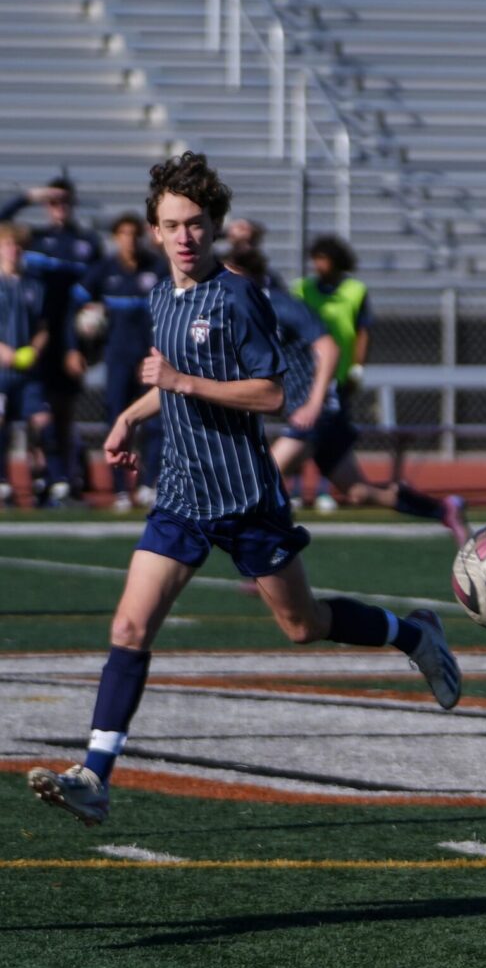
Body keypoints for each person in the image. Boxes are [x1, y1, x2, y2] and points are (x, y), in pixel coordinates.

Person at [26, 152, 461, 827]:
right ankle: (95, 776)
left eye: (196, 223)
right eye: (173, 225)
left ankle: (414, 635)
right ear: (155, 230)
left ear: (214, 225)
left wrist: (180, 383)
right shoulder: (160, 296)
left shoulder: (237, 296)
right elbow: (171, 382)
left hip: (244, 496)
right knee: (129, 626)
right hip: (181, 495)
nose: (185, 236)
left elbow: (271, 394)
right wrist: (130, 416)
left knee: (302, 625)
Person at [227, 244, 469, 543]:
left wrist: (314, 403)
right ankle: (445, 509)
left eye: (230, 277)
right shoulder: (247, 311)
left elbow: (329, 349)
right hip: (307, 410)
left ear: (248, 277)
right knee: (358, 492)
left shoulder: (282, 305)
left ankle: (271, 552)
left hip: (317, 409)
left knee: (265, 475)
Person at [1, 176, 102, 504]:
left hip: (63, 341)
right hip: (24, 344)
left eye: (64, 201)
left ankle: (64, 477)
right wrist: (29, 196)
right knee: (22, 415)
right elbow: (3, 222)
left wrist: (87, 335)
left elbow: (97, 286)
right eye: (53, 201)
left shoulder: (86, 242)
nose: (59, 207)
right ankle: (35, 476)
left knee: (60, 413)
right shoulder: (33, 239)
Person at [72, 213, 165, 511]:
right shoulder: (104, 270)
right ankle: (120, 489)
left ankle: (149, 484)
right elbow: (74, 302)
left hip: (151, 358)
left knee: (156, 422)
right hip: (118, 358)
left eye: (134, 234)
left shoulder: (157, 268)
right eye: (123, 234)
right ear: (115, 238)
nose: (129, 240)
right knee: (116, 419)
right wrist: (75, 346)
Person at [293, 235, 370, 512]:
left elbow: (362, 331)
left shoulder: (354, 290)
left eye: (323, 259)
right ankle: (297, 489)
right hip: (304, 375)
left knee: (329, 435)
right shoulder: (302, 289)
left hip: (337, 375)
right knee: (300, 431)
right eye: (316, 259)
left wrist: (357, 367)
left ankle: (324, 489)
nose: (318, 265)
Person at [0, 222, 52, 507]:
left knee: (41, 422)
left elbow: (43, 327)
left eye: (18, 245)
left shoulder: (34, 285)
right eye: (8, 244)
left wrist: (34, 349)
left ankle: (42, 479)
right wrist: (4, 352)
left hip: (29, 371)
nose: (14, 250)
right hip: (1, 371)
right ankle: (3, 483)